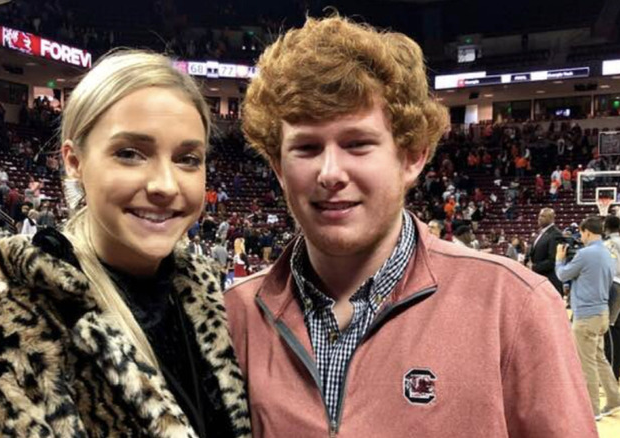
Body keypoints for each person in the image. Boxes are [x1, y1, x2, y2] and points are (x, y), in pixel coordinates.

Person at [225, 15, 595, 437]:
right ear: (277, 166)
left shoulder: (512, 306)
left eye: (357, 144)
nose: (329, 172)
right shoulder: (234, 316)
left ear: (412, 157)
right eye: (307, 148)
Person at [0, 50, 250, 438]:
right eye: (129, 154)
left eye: (188, 158)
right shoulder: (15, 349)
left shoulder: (210, 299)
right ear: (74, 161)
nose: (165, 184)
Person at [555, 216, 620, 420]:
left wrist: (559, 259)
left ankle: (592, 410)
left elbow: (562, 275)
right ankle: (615, 399)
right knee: (599, 358)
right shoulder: (608, 252)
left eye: (581, 233)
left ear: (586, 231)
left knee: (586, 364)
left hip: (586, 316)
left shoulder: (585, 254)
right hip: (602, 313)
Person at [602, 215, 620, 381]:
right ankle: (614, 372)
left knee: (611, 333)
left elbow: (614, 268)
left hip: (613, 288)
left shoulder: (610, 244)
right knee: (616, 331)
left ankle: (612, 374)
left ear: (605, 227)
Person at [529, 208, 564, 295]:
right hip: (538, 279)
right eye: (539, 216)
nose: (540, 218)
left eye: (543, 216)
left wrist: (533, 267)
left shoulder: (556, 234)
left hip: (550, 281)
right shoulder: (540, 233)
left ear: (552, 219)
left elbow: (552, 260)